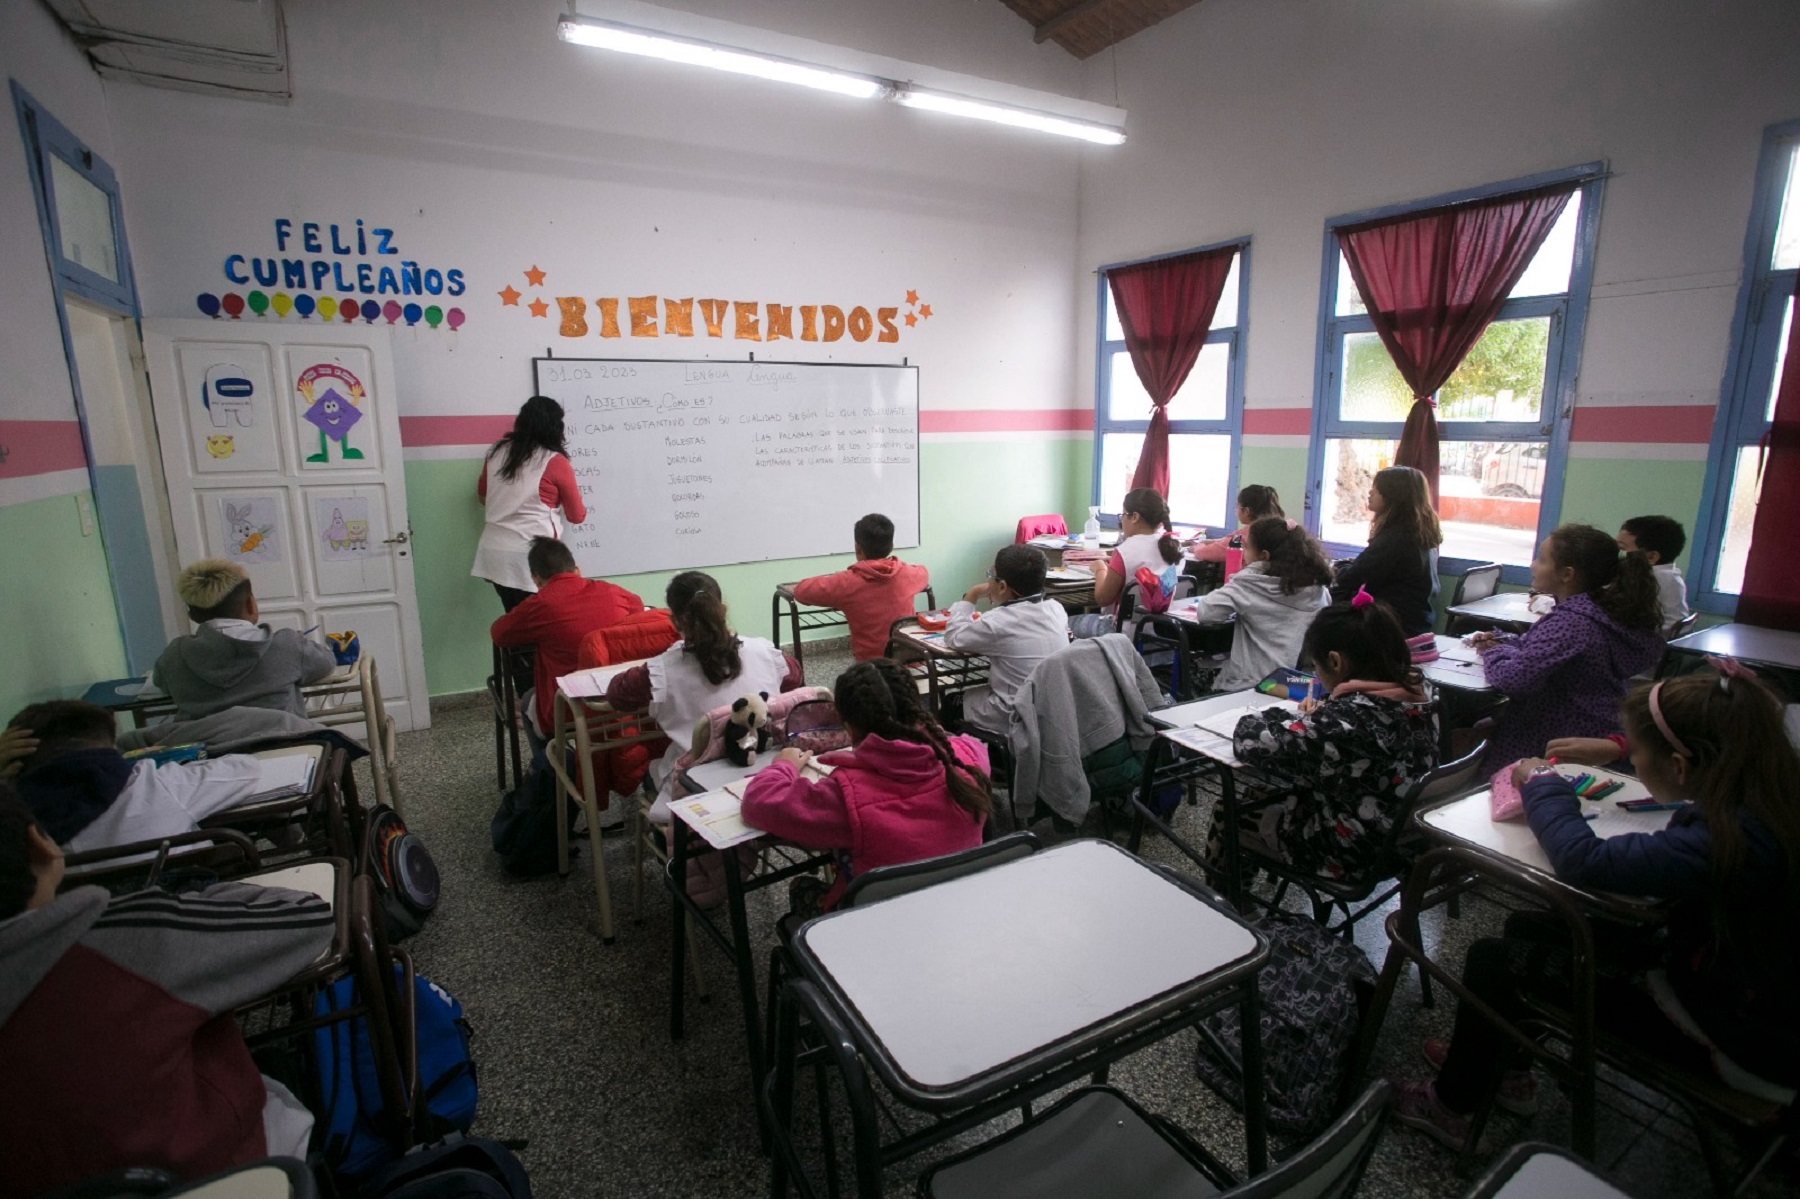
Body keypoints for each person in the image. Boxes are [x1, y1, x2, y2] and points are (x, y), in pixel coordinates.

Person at [1394, 667, 1800, 1147]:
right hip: (1730, 986)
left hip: (1734, 1038)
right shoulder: (1767, 794)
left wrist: (1543, 783)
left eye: (1637, 753)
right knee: (1530, 924)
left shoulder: (1726, 840)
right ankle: (1507, 1068)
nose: (1633, 763)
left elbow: (1583, 860)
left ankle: (1450, 1107)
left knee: (1492, 961)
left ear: (1680, 767)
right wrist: (1620, 747)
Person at [0, 784, 333, 1195]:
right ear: (41, 845)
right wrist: (191, 895)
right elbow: (306, 916)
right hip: (230, 1174)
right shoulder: (124, 940)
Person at [740, 659, 990, 910]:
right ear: (917, 709)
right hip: (958, 911)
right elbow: (961, 744)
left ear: (849, 727)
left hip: (877, 928)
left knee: (802, 887)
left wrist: (784, 765)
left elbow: (758, 801)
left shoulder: (846, 797)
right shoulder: (969, 758)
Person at [1224, 594, 1438, 880]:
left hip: (1347, 851)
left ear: (1335, 662)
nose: (1317, 675)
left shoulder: (1343, 723)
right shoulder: (1425, 692)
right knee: (1258, 794)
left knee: (1230, 810)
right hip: (1404, 839)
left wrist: (1285, 717)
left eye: (1316, 667)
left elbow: (1248, 740)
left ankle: (1229, 910)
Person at [606, 571, 800, 818]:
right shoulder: (764, 651)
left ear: (675, 622)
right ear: (723, 609)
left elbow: (617, 695)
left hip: (696, 787)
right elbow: (795, 678)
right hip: (762, 773)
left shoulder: (661, 670)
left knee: (649, 772)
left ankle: (668, 853)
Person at [1471, 525, 1664, 770]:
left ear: (1566, 575)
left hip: (1559, 736)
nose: (1533, 565)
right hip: (1596, 725)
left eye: (1541, 559)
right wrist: (1504, 640)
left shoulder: (1571, 623)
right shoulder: (1597, 609)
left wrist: (1492, 651)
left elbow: (1513, 679)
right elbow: (1540, 649)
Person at [4, 701, 266, 854]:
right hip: (185, 905)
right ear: (110, 742)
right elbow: (246, 769)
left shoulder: (15, 823)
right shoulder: (156, 785)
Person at [490, 536, 644, 736]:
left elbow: (499, 634)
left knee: (528, 698)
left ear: (535, 578)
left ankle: (550, 761)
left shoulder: (539, 605)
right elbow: (638, 609)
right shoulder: (615, 593)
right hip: (622, 700)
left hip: (569, 709)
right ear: (576, 570)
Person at [155, 560, 337, 721]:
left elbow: (162, 685)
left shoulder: (174, 655)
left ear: (192, 615)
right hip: (281, 746)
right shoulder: (287, 645)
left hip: (206, 753)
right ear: (251, 604)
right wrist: (299, 643)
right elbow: (327, 663)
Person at [471, 395, 588, 612]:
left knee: (516, 620)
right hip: (533, 557)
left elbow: (482, 496)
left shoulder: (496, 452)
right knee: (541, 625)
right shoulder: (554, 461)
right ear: (555, 428)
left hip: (495, 551)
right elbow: (576, 515)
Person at [940, 544, 1071, 735]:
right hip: (1054, 710)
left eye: (991, 576)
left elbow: (953, 636)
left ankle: (969, 758)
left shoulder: (998, 621)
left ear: (1002, 586)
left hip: (1015, 712)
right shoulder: (1056, 609)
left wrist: (972, 594)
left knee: (950, 703)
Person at [1191, 517, 1332, 693]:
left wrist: (1245, 573)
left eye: (1247, 547)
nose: (1244, 551)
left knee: (1194, 669)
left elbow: (1206, 613)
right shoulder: (1318, 587)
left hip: (1254, 683)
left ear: (1263, 556)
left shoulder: (1251, 583)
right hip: (1297, 683)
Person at [791, 513, 930, 662]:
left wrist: (837, 577)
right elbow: (923, 572)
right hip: (910, 663)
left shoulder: (845, 582)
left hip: (872, 669)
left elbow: (801, 591)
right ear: (891, 546)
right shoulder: (908, 574)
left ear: (858, 548)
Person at [1330, 465, 1441, 646]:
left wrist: (1339, 567)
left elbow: (1351, 578)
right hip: (1417, 621)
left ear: (1393, 495)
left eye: (1377, 489)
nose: (1370, 493)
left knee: (1331, 604)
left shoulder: (1395, 537)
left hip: (1395, 625)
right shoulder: (1418, 533)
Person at [1074, 487, 1184, 637]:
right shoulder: (1173, 549)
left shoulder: (1125, 551)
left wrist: (1100, 568)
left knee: (1064, 623)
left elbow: (1103, 599)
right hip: (1162, 632)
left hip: (1122, 633)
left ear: (1135, 517)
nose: (1122, 521)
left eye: (1123, 515)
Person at [1617, 514, 1690, 635]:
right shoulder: (1671, 574)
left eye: (1622, 548)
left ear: (1651, 557)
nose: (1619, 555)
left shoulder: (1651, 577)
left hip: (1654, 641)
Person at [1190, 483, 1285, 562]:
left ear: (1247, 511)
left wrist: (1197, 547)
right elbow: (1230, 539)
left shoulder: (1247, 536)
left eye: (1237, 506)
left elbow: (1204, 553)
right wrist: (1215, 541)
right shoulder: (1278, 529)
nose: (1236, 510)